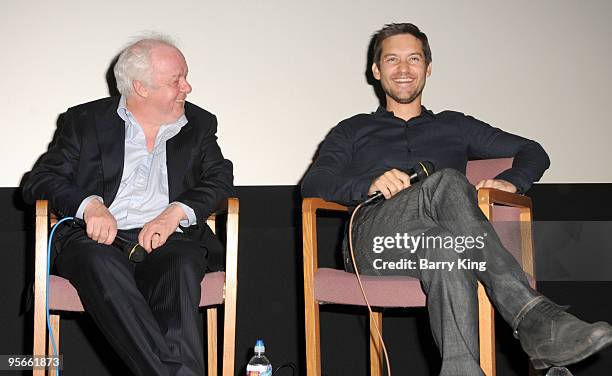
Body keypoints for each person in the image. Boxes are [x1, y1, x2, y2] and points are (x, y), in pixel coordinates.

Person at [301, 23, 612, 375]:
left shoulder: (455, 125)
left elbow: (532, 151)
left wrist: (512, 182)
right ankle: (531, 316)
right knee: (447, 180)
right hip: (373, 240)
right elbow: (313, 184)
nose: (403, 69)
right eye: (392, 59)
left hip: (439, 242)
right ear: (376, 70)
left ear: (428, 68)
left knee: (445, 248)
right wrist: (368, 183)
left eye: (414, 59)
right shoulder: (352, 129)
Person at [23, 36, 233, 376]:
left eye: (186, 77)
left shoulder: (199, 125)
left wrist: (175, 212)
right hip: (95, 243)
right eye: (176, 80)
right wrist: (90, 206)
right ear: (141, 87)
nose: (188, 87)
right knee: (98, 261)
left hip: (168, 242)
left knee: (181, 265)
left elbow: (220, 180)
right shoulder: (85, 120)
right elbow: (41, 179)